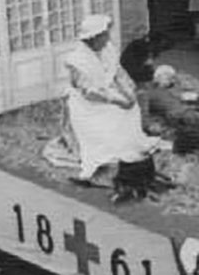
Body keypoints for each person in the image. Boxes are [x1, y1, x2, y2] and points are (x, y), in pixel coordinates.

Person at [63, 14, 161, 187]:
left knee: (131, 110)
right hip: (87, 106)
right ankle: (103, 163)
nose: (107, 38)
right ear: (93, 38)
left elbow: (118, 73)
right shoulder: (75, 60)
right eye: (104, 35)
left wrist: (129, 92)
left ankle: (128, 153)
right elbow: (88, 92)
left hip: (107, 93)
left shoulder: (107, 49)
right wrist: (117, 100)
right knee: (113, 116)